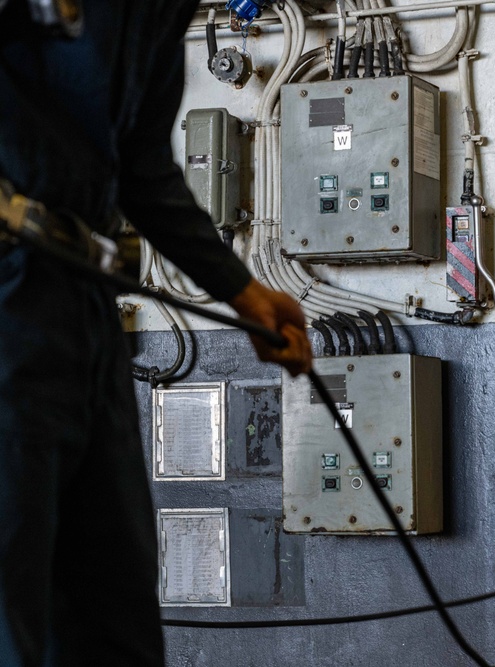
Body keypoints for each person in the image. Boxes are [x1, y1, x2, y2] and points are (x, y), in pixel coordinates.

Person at [0, 2, 312, 666]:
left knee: (115, 611)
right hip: (10, 289)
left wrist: (241, 289)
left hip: (82, 304)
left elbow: (141, 165)